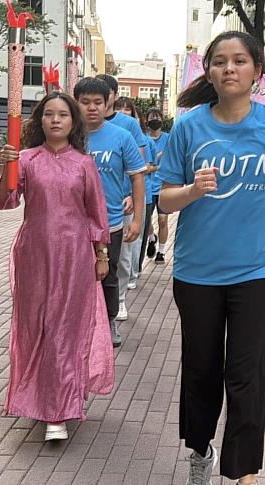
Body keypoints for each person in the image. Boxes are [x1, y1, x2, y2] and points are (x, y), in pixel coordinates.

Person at [157, 30, 265, 485]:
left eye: (240, 60)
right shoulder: (188, 127)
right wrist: (192, 191)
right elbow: (164, 200)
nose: (229, 68)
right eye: (220, 61)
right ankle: (200, 450)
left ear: (257, 71)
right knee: (202, 370)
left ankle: (244, 470)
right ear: (208, 72)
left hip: (254, 270)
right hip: (197, 272)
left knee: (246, 375)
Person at [0, 92, 114, 441]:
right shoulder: (26, 159)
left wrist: (101, 254)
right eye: (49, 114)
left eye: (63, 114)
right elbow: (5, 201)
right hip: (35, 255)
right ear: (40, 121)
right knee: (37, 327)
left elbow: (96, 213)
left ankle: (58, 410)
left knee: (65, 328)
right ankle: (38, 397)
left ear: (73, 122)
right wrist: (6, 167)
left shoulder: (84, 164)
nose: (56, 120)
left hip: (75, 257)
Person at [74, 78, 146, 346]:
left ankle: (109, 320)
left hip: (110, 222)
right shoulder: (69, 136)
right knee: (73, 275)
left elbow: (137, 177)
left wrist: (137, 220)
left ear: (108, 104)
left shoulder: (122, 137)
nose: (92, 108)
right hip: (72, 223)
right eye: (85, 102)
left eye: (98, 102)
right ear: (76, 103)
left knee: (107, 273)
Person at [115, 96, 155, 288]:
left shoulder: (142, 139)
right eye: (119, 108)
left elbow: (146, 166)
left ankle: (132, 274)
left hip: (138, 194)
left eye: (127, 109)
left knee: (132, 237)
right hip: (115, 196)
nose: (123, 112)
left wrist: (132, 192)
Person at [142, 107, 171, 265]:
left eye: (158, 117)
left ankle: (161, 251)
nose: (155, 120)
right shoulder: (144, 140)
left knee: (163, 220)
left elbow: (172, 159)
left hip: (163, 187)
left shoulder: (168, 138)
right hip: (147, 187)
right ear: (146, 121)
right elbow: (145, 166)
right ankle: (151, 237)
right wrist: (158, 160)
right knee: (146, 222)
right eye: (152, 117)